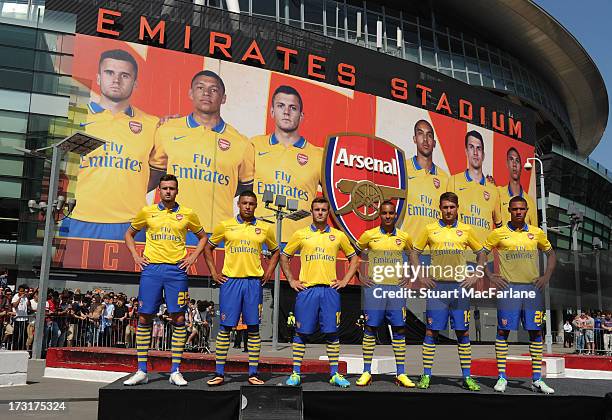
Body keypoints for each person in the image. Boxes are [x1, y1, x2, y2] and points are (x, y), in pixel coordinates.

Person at [60, 49, 159, 240]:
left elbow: (159, 170)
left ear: (135, 83)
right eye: (109, 73)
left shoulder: (153, 124)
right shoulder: (74, 117)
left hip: (131, 223)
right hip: (77, 218)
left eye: (125, 75)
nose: (116, 80)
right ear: (98, 78)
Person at [122, 174, 207, 387]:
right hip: (151, 270)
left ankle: (175, 370)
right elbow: (129, 234)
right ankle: (142, 370)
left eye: (172, 188)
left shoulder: (188, 214)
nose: (168, 191)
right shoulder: (147, 212)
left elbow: (203, 237)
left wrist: (192, 257)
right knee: (144, 317)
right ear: (159, 190)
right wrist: (135, 256)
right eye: (165, 188)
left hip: (176, 272)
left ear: (177, 191)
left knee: (178, 319)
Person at [150, 70, 254, 236]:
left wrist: (214, 190)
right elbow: (153, 175)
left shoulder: (242, 143)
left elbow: (246, 186)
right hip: (170, 229)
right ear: (190, 93)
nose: (206, 93)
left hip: (218, 232)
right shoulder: (167, 129)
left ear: (224, 98)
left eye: (213, 90)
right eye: (200, 88)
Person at [410, 192, 486, 391]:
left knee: (463, 332)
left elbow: (481, 254)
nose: (448, 211)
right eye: (445, 207)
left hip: (460, 287)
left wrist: (476, 274)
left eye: (452, 207)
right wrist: (421, 276)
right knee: (431, 331)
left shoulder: (466, 230)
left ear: (457, 208)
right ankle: (426, 376)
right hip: (438, 288)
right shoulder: (429, 229)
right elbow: (414, 253)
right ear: (440, 208)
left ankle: (467, 377)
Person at [280, 197, 359, 388]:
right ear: (312, 211)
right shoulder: (301, 234)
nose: (320, 213)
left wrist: (345, 280)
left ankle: (334, 374)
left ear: (328, 212)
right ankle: (296, 373)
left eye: (324, 209)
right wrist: (291, 280)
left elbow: (354, 258)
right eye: (317, 209)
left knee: (332, 333)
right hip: (307, 290)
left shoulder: (338, 236)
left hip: (329, 291)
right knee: (301, 332)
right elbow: (284, 256)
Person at [204, 191, 280, 386]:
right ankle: (219, 373)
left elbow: (276, 252)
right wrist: (214, 272)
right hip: (230, 282)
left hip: (253, 283)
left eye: (252, 204)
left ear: (256, 206)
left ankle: (253, 372)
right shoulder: (225, 225)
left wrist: (269, 272)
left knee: (253, 329)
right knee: (225, 328)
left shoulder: (264, 228)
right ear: (238, 204)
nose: (248, 206)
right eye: (245, 203)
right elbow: (208, 247)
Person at [483, 195, 557, 394]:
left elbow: (551, 254)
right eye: (515, 209)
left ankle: (537, 379)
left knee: (535, 332)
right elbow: (482, 252)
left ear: (526, 211)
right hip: (509, 290)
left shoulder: (536, 233)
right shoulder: (498, 234)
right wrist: (489, 274)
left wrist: (546, 276)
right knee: (502, 332)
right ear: (509, 210)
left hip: (532, 290)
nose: (518, 212)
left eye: (522, 209)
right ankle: (501, 377)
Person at [354, 200, 414, 388]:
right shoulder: (369, 235)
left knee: (399, 329)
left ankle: (401, 373)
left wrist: (410, 276)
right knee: (370, 328)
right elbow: (354, 254)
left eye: (391, 213)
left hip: (396, 289)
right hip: (375, 289)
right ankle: (366, 372)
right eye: (384, 213)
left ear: (396, 215)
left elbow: (412, 255)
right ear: (379, 215)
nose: (387, 216)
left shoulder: (404, 237)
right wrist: (359, 276)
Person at [251, 85, 323, 241]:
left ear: (301, 116)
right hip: (259, 240)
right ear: (272, 111)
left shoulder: (319, 155)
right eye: (280, 106)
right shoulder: (254, 145)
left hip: (301, 244)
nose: (286, 112)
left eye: (293, 108)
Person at [446, 130, 501, 244]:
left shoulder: (493, 190)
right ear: (466, 151)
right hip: (461, 256)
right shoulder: (454, 181)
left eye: (479, 148)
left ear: (483, 154)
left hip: (486, 257)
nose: (475, 152)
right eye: (471, 147)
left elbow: (500, 226)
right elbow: (447, 220)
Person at [402, 119, 450, 239]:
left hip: (436, 249)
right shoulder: (403, 168)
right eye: (420, 134)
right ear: (414, 139)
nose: (425, 139)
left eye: (429, 135)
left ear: (434, 143)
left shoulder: (445, 178)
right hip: (408, 249)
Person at [498, 147, 537, 226]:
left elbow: (534, 230)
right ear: (507, 164)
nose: (514, 164)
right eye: (511, 159)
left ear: (521, 167)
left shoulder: (530, 201)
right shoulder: (498, 193)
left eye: (517, 161)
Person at [11, 284, 30, 350]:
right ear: (18, 291)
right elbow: (14, 305)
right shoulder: (15, 297)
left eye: (23, 291)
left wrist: (28, 298)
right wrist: (20, 298)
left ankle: (22, 348)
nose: (22, 293)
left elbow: (29, 306)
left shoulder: (25, 297)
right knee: (16, 335)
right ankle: (15, 349)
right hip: (17, 319)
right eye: (21, 291)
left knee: (23, 335)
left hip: (24, 319)